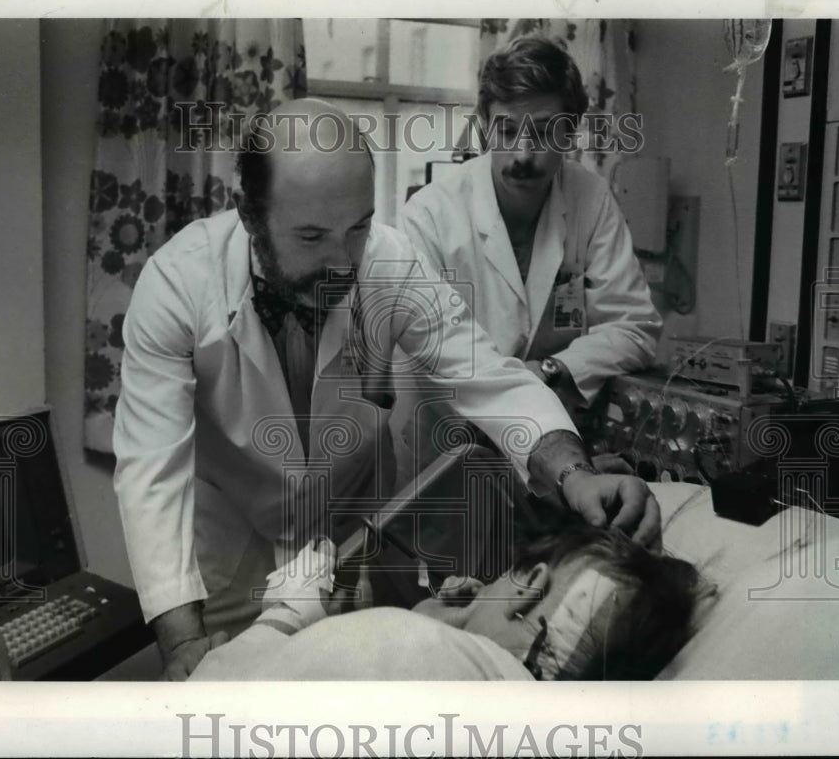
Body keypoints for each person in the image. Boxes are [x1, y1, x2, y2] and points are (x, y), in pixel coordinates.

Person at [113, 98, 661, 680]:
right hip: (232, 552)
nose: (343, 261)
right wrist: (180, 642)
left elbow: (485, 375)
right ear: (249, 215)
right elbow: (153, 469)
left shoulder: (389, 265)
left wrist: (576, 474)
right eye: (311, 236)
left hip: (350, 543)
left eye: (357, 228)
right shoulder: (177, 285)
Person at [396, 34, 662, 471]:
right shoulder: (429, 216)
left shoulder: (589, 199)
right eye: (506, 130)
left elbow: (634, 327)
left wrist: (553, 371)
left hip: (559, 448)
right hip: (449, 454)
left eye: (543, 133)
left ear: (572, 131)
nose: (523, 154)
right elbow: (424, 356)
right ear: (483, 125)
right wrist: (521, 388)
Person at [189, 511, 702, 681]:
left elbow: (202, 707)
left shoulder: (403, 641)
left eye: (504, 576)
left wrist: (285, 618)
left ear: (529, 587)